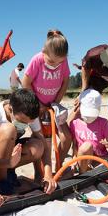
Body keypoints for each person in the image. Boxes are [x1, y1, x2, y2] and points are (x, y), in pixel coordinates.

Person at [0, 89, 57, 195]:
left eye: (28, 123)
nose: (24, 124)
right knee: (9, 129)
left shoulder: (29, 113)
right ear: (10, 109)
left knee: (38, 146)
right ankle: (2, 180)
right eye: (22, 122)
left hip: (13, 152)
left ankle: (11, 172)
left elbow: (44, 144)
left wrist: (48, 175)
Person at [22, 29, 72, 162]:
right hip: (37, 106)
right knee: (42, 141)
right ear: (44, 51)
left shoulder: (63, 60)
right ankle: (41, 174)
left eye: (59, 62)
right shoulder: (37, 59)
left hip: (53, 106)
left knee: (66, 138)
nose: (55, 64)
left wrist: (56, 102)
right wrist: (37, 104)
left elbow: (65, 81)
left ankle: (59, 168)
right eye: (51, 61)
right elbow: (25, 82)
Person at [70, 89, 108, 174]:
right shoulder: (74, 123)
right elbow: (75, 145)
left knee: (87, 146)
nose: (89, 118)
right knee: (86, 146)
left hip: (99, 160)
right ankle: (83, 172)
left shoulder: (103, 123)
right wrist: (74, 158)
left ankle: (83, 174)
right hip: (83, 159)